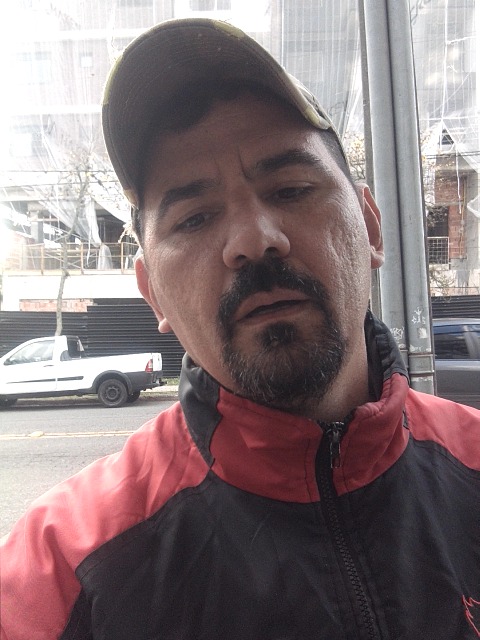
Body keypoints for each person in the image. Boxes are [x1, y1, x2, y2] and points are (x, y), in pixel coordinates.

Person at [1, 18, 479, 640]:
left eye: (292, 188)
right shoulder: (59, 572)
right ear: (152, 292)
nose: (254, 240)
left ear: (370, 227)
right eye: (194, 218)